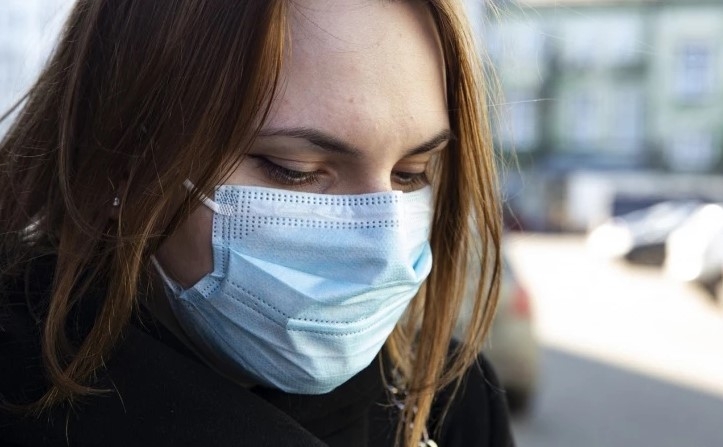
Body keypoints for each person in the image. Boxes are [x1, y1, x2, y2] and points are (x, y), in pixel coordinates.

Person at [0, 1, 512, 446]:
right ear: (121, 160)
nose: (385, 250)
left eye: (411, 173)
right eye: (294, 170)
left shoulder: (447, 400)